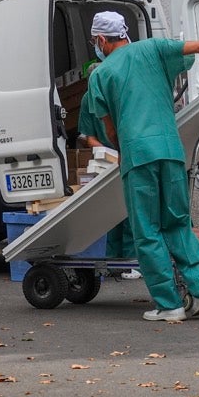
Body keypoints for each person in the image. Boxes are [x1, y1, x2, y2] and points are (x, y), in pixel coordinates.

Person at [84, 11, 199, 321]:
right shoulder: (153, 48)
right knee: (177, 223)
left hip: (137, 155)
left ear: (102, 40)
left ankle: (169, 304)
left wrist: (122, 149)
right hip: (172, 151)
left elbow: (109, 130)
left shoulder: (100, 74)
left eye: (96, 41)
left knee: (147, 232)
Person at [77, 66, 141, 280]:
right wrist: (107, 151)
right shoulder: (89, 99)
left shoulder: (123, 95)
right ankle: (113, 260)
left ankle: (132, 261)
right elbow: (88, 135)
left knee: (130, 211)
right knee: (111, 213)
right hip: (107, 159)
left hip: (127, 153)